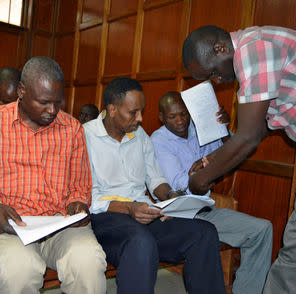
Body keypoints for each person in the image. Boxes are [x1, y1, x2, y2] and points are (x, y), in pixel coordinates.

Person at [182, 25, 296, 294]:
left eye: (214, 72)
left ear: (220, 48)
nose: (217, 80)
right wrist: (212, 159)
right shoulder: (251, 59)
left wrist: (201, 181)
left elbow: (248, 138)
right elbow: (259, 129)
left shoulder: (255, 49)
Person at [83, 77, 226, 294]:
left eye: (141, 111)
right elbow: (85, 196)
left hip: (143, 212)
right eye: (133, 112)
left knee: (204, 232)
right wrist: (129, 208)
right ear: (112, 109)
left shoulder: (140, 136)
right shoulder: (85, 136)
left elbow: (155, 179)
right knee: (141, 241)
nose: (140, 119)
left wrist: (171, 197)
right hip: (105, 216)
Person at [0, 56, 106, 294]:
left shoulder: (72, 129)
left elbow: (80, 185)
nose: (53, 111)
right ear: (22, 91)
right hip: (12, 227)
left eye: (58, 102)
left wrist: (77, 203)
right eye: (44, 103)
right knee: (19, 272)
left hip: (59, 225)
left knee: (89, 263)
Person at [151, 91, 273, 294]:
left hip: (206, 208)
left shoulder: (200, 128)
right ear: (162, 118)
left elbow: (233, 152)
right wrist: (205, 170)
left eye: (184, 114)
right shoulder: (158, 140)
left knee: (262, 229)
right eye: (172, 117)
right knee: (202, 235)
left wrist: (224, 130)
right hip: (179, 214)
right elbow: (181, 187)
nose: (180, 121)